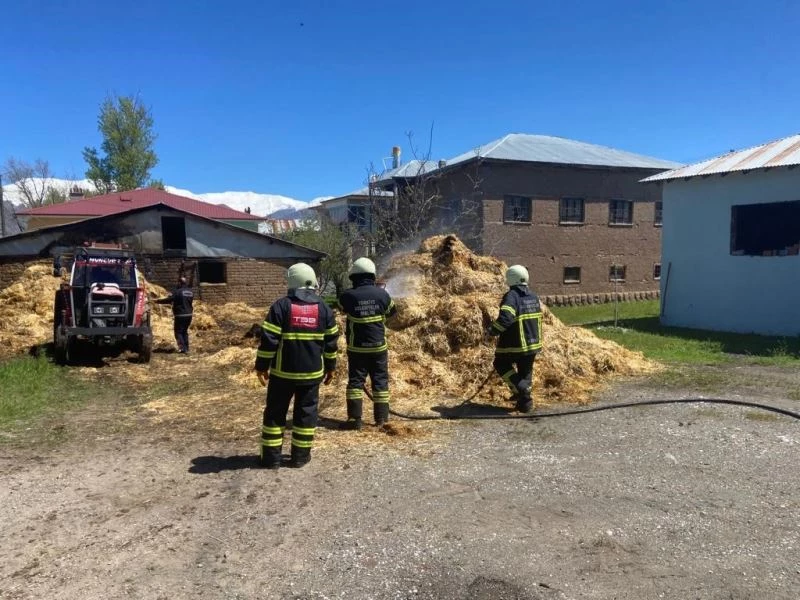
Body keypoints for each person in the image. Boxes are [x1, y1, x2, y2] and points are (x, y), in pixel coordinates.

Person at [255, 263, 339, 469]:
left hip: (282, 374)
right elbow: (331, 343)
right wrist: (331, 367)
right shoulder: (324, 309)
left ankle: (271, 459)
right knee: (306, 415)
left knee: (275, 413)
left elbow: (268, 341)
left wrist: (261, 366)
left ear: (291, 282)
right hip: (311, 375)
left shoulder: (280, 306)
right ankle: (300, 457)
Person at [337, 257, 397, 430]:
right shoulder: (382, 294)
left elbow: (341, 308)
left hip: (357, 348)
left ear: (354, 277)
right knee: (380, 381)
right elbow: (392, 312)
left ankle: (354, 420)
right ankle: (382, 419)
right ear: (372, 275)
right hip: (379, 347)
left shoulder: (347, 296)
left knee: (356, 382)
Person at [487, 265, 543, 413]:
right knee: (525, 373)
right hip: (533, 344)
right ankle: (525, 404)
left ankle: (522, 388)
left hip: (516, 344)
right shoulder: (533, 296)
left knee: (500, 363)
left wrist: (492, 331)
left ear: (510, 279)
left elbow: (506, 318)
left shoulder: (512, 296)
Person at [155, 276, 194, 353]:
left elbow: (169, 300)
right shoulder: (191, 292)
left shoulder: (178, 291)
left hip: (180, 315)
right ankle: (186, 348)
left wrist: (158, 301)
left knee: (178, 332)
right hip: (189, 314)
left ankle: (182, 349)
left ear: (179, 283)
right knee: (184, 331)